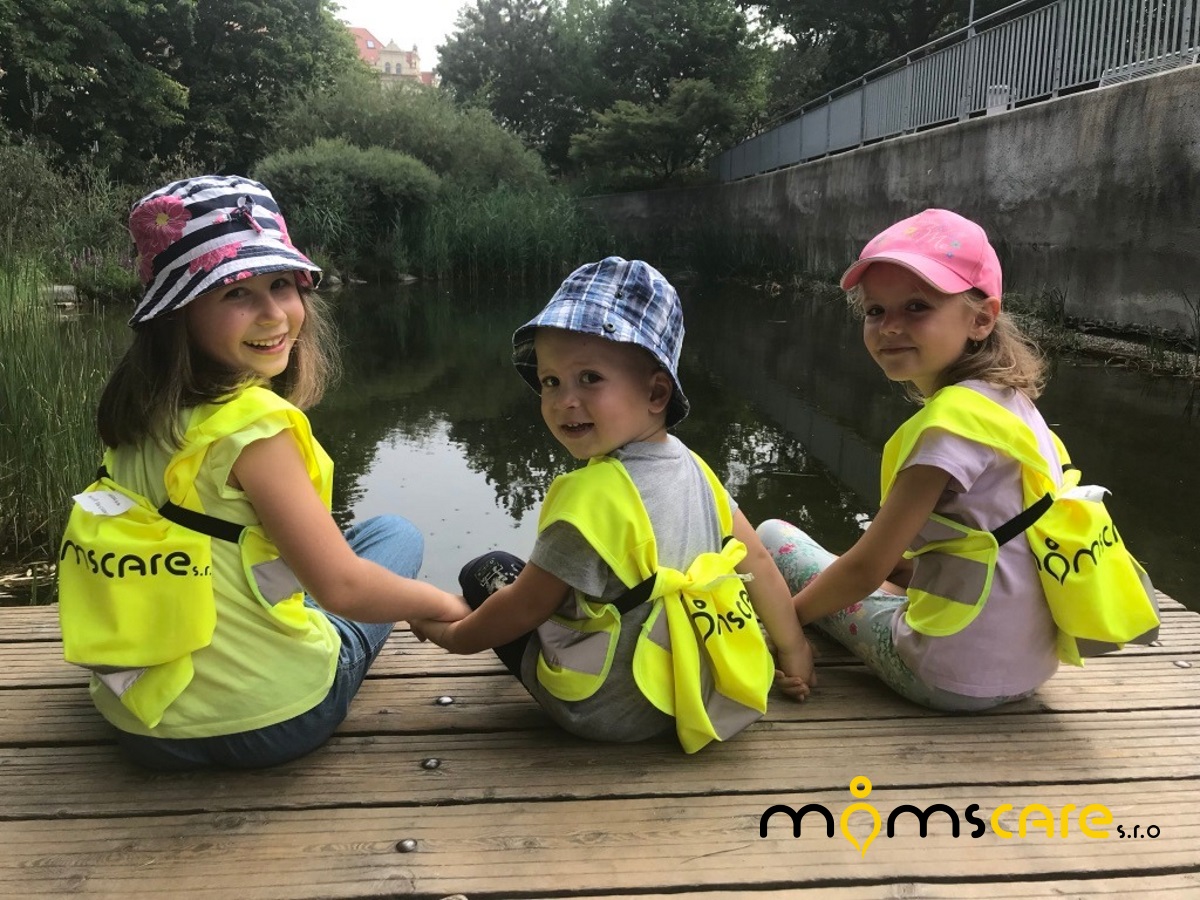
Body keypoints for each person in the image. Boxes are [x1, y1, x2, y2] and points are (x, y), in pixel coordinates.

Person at [57, 175, 466, 770]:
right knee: (396, 535)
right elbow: (343, 589)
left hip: (143, 723)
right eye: (236, 294)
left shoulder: (140, 415)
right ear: (179, 315)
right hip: (274, 721)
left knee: (348, 543)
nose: (274, 314)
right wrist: (444, 606)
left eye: (281, 284)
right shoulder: (255, 429)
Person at [760, 208, 1159, 712]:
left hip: (946, 676)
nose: (889, 327)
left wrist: (783, 629)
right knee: (882, 570)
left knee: (774, 538)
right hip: (1030, 667)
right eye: (875, 310)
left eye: (916, 307)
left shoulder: (947, 431)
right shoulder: (1008, 401)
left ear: (981, 319)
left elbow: (865, 570)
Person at [411, 257, 815, 752]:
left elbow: (522, 608)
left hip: (608, 711)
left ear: (656, 392)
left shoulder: (589, 498)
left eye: (589, 378)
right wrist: (794, 650)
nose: (564, 400)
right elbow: (759, 563)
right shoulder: (697, 468)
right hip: (697, 689)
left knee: (487, 569)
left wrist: (453, 638)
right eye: (551, 381)